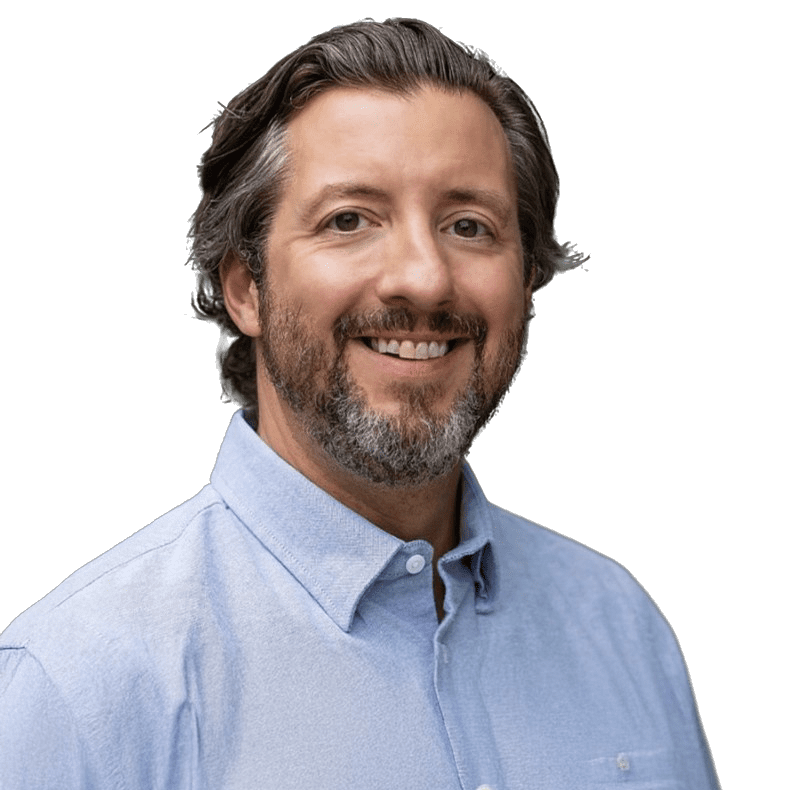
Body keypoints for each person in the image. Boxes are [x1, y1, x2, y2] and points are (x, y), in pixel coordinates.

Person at [0, 18, 719, 789]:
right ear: (245, 288)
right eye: (349, 220)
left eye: (468, 225)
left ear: (527, 280)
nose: (425, 278)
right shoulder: (83, 681)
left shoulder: (621, 625)